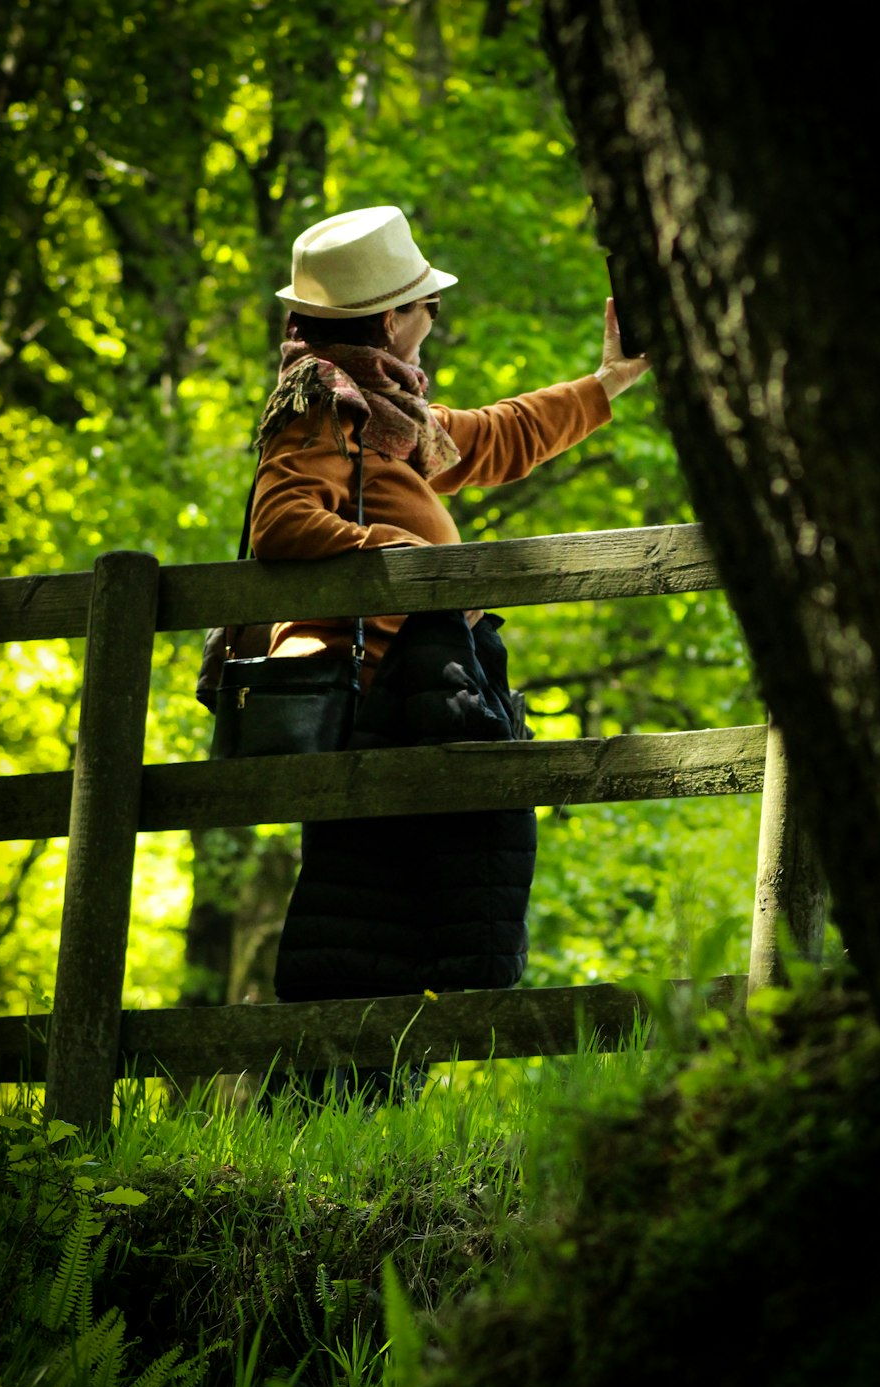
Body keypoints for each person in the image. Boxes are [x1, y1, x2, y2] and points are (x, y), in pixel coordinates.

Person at [249, 205, 649, 1099]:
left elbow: (493, 437)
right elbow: (279, 521)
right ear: (390, 319)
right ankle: (330, 1111)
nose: (433, 316)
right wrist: (406, 565)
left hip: (423, 685)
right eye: (422, 304)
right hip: (390, 690)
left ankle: (356, 1109)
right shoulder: (323, 408)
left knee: (404, 903)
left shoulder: (384, 414)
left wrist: (607, 384)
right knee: (384, 906)